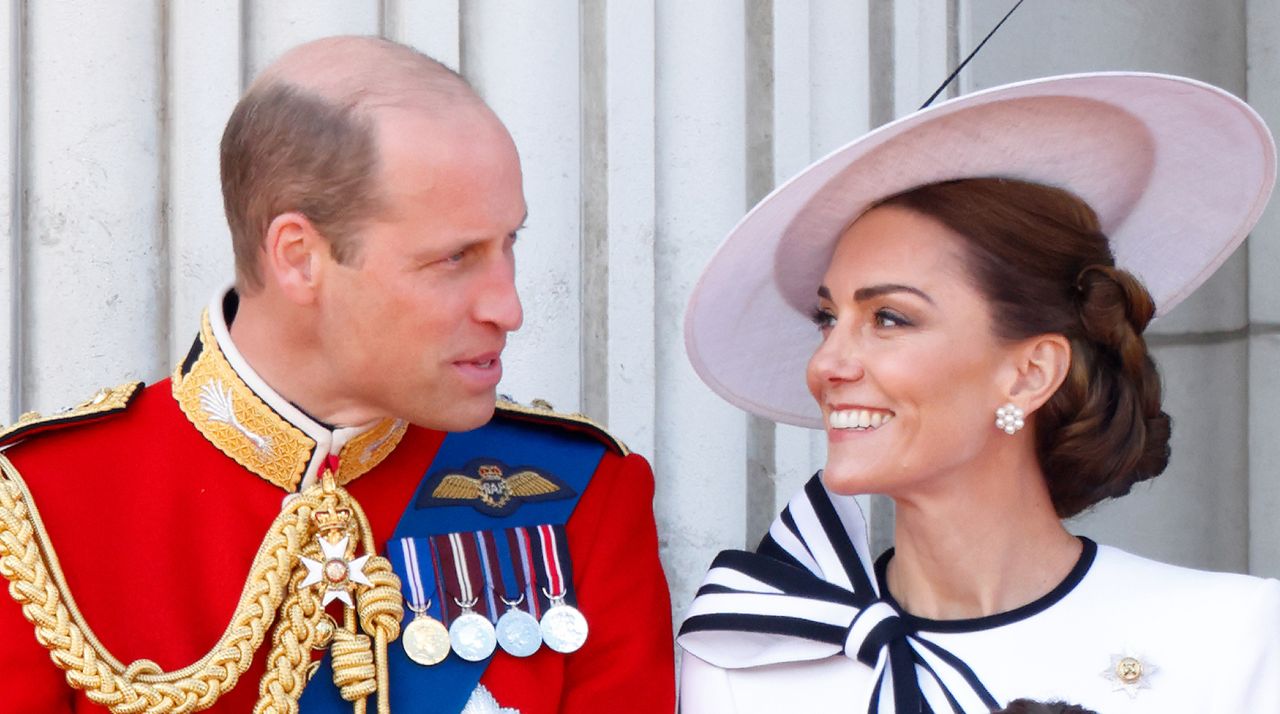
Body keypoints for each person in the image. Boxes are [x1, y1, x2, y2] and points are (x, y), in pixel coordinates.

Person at [0, 36, 674, 714]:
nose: (510, 307)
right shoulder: (40, 511)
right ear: (298, 258)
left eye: (510, 244)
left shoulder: (579, 495)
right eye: (453, 258)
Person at [675, 73, 1280, 712]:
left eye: (888, 318)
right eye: (829, 319)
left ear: (1029, 373)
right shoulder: (744, 665)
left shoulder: (1235, 642)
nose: (828, 362)